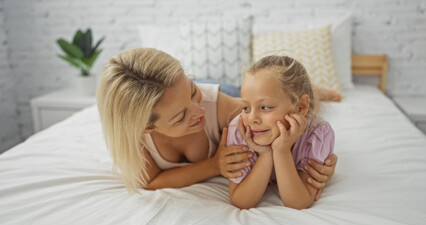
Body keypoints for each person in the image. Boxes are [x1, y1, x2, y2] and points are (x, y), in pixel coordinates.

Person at [96, 48, 337, 197]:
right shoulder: (133, 137)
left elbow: (286, 122)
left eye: (192, 90)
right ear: (146, 127)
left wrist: (314, 163)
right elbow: (150, 181)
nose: (198, 110)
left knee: (277, 94)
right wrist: (214, 165)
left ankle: (315, 91)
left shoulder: (220, 107)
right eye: (180, 116)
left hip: (223, 93)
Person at [227, 55, 335, 210]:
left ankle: (322, 93)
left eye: (265, 107)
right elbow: (241, 201)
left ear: (300, 107)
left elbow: (298, 202)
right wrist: (265, 154)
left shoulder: (318, 133)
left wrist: (281, 151)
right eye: (246, 108)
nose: (252, 119)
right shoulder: (240, 129)